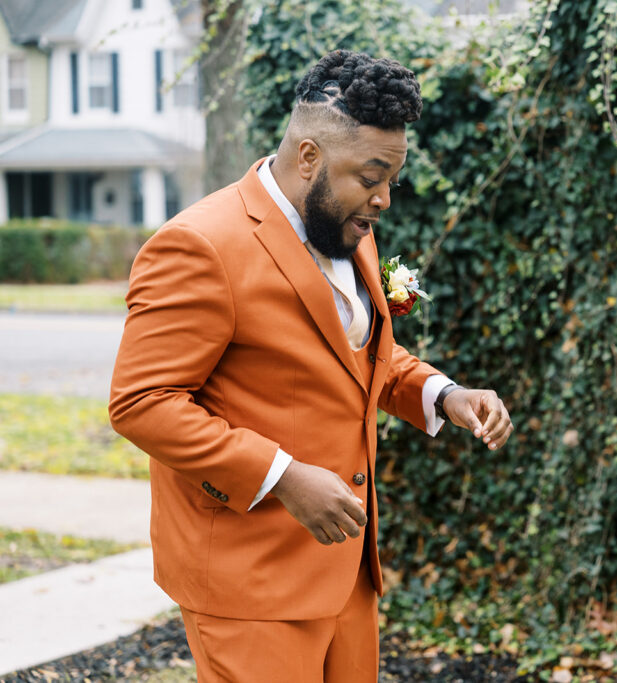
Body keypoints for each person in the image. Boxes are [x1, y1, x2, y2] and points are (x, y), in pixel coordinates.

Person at [109, 49, 513, 683]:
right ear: (308, 158)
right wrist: (282, 476)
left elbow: (350, 354)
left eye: (392, 181)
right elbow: (142, 403)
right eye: (371, 176)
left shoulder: (346, 223)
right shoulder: (200, 245)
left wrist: (439, 393)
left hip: (347, 574)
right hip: (251, 580)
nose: (383, 200)